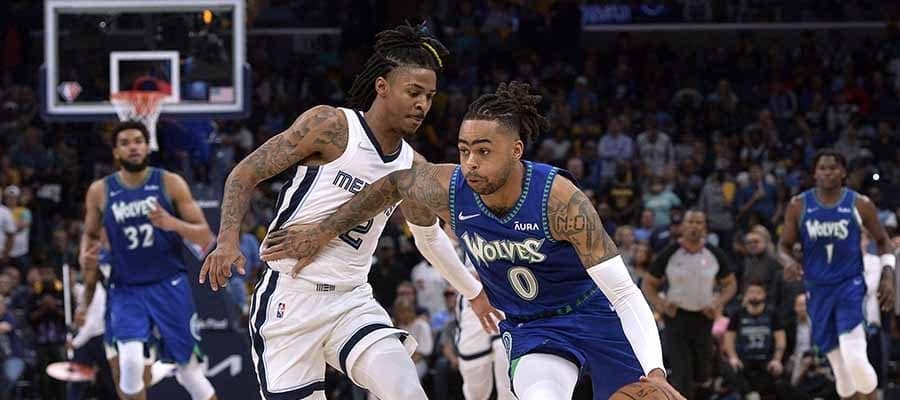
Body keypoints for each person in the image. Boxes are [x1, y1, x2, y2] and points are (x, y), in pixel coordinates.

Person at [261, 82, 684, 400]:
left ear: (516, 150)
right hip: (533, 328)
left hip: (594, 314)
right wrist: (321, 232)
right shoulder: (449, 188)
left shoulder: (559, 201)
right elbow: (394, 188)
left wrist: (655, 370)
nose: (470, 163)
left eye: (484, 151)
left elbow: (624, 293)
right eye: (464, 150)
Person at [199, 24, 497, 400]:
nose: (422, 104)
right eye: (413, 92)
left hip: (352, 301)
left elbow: (428, 237)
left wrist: (474, 292)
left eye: (429, 96)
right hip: (290, 298)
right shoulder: (332, 127)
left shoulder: (413, 166)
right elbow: (245, 173)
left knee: (407, 390)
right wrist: (227, 241)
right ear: (382, 87)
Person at [79, 121, 217, 400]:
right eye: (125, 143)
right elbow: (90, 235)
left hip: (169, 285)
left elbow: (205, 236)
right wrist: (85, 256)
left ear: (147, 146)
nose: (133, 147)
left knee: (190, 374)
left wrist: (171, 223)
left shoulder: (169, 183)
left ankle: (169, 366)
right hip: (126, 289)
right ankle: (161, 366)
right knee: (129, 364)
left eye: (138, 141)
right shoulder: (100, 191)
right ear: (116, 152)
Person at [779, 149, 895, 400]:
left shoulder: (860, 203)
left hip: (849, 285)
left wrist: (888, 275)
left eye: (833, 168)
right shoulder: (799, 205)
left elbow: (883, 241)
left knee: (854, 356)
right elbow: (783, 246)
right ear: (814, 173)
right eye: (822, 168)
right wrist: (788, 262)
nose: (827, 173)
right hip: (816, 290)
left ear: (843, 172)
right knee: (841, 372)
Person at [641, 210, 737, 399]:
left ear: (705, 227)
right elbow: (648, 283)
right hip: (676, 317)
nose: (694, 226)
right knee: (681, 371)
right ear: (683, 226)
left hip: (704, 317)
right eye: (690, 222)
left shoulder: (714, 253)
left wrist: (718, 302)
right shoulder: (669, 253)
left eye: (698, 222)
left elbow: (730, 284)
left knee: (703, 369)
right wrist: (661, 304)